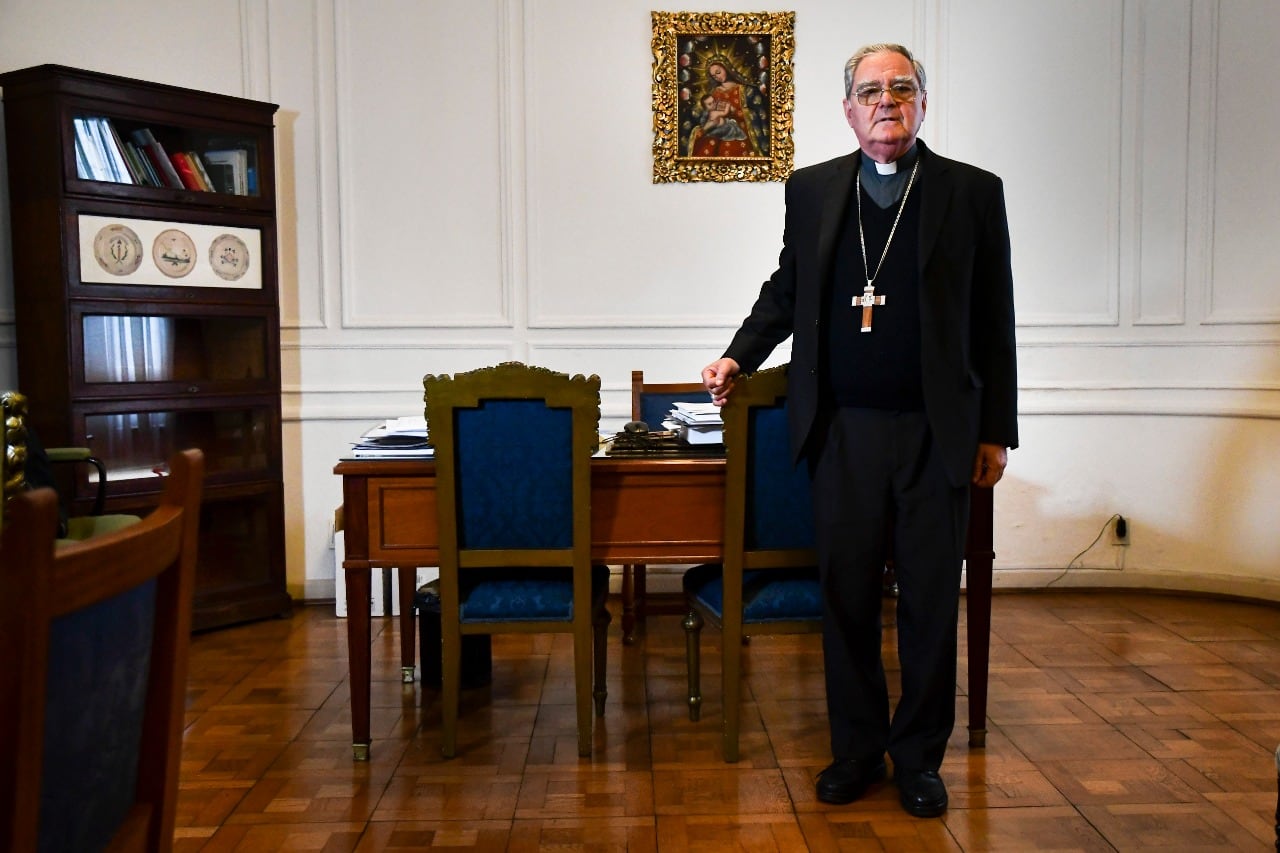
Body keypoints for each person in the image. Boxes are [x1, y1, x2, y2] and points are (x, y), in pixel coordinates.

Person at [700, 43, 1017, 818]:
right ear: (847, 109)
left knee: (929, 603)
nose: (886, 101)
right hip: (841, 433)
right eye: (871, 91)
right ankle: (855, 751)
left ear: (922, 103)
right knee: (844, 599)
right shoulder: (811, 190)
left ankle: (919, 759)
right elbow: (787, 286)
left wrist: (996, 430)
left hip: (936, 435)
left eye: (901, 88)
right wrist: (739, 354)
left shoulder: (971, 192)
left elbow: (994, 316)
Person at [688, 58, 768, 158]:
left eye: (718, 72)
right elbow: (709, 112)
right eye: (714, 76)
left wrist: (734, 111)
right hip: (719, 128)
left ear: (726, 68)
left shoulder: (745, 90)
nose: (717, 77)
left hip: (741, 128)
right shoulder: (715, 92)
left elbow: (759, 113)